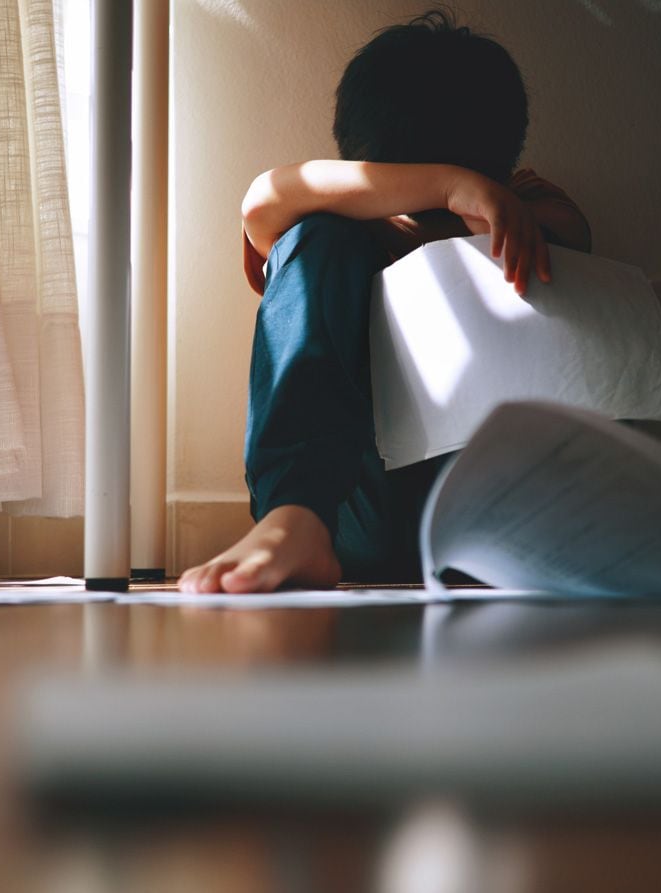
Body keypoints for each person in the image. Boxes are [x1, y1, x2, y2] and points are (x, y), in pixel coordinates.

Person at [180, 9, 592, 594]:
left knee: (523, 248)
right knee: (316, 236)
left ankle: (307, 520)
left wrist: (482, 208)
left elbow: (573, 233)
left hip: (487, 509)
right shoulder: (342, 218)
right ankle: (294, 519)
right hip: (345, 508)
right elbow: (262, 200)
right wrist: (448, 184)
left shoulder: (524, 201)